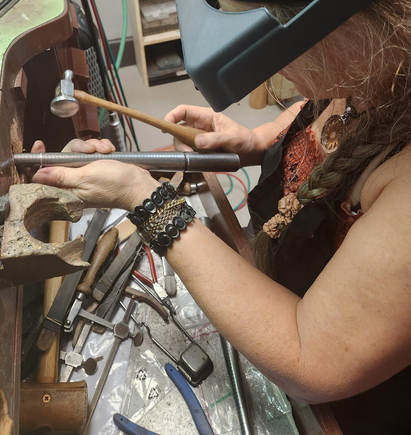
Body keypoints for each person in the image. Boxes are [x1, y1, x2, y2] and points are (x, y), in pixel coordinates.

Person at [31, 1, 411, 432]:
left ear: (365, 24)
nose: (273, 70)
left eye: (283, 46)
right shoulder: (375, 63)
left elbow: (312, 357)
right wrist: (255, 139)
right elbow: (327, 109)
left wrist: (144, 197)